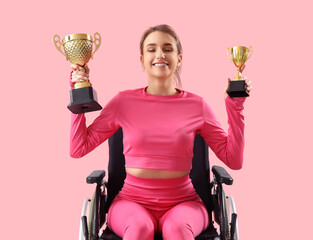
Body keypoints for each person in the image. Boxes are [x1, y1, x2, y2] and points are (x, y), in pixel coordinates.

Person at [69, 24, 251, 240]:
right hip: (131, 201)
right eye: (152, 49)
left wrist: (235, 106)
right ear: (141, 59)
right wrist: (77, 94)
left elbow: (234, 159)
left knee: (177, 230)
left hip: (184, 202)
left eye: (168, 48)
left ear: (179, 58)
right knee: (139, 229)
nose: (160, 54)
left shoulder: (197, 105)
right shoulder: (123, 102)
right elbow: (78, 148)